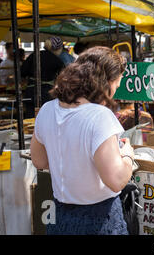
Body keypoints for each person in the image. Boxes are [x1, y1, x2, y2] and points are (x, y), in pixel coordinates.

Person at [30, 46, 134, 235]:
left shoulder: (46, 109)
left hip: (59, 216)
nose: (114, 93)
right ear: (106, 83)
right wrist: (128, 155)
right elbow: (116, 180)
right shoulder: (100, 116)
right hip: (99, 219)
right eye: (116, 86)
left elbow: (39, 161)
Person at [21, 36, 65, 117]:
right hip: (47, 93)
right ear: (59, 48)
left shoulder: (34, 55)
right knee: (46, 117)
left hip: (31, 91)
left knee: (30, 117)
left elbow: (22, 72)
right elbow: (62, 79)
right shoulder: (58, 61)